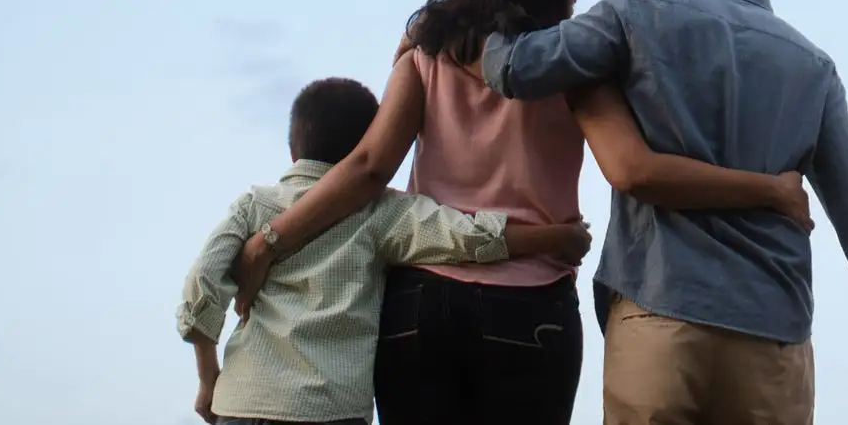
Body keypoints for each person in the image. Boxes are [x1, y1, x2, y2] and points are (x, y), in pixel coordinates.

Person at [228, 0, 812, 425]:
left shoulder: (427, 53)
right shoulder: (580, 68)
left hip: (420, 302)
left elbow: (366, 169)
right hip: (530, 303)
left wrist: (269, 242)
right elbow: (631, 168)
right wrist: (770, 188)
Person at [477, 0, 848, 425]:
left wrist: (481, 18)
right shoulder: (812, 63)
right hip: (775, 331)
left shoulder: (636, 7)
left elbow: (517, 68)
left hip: (660, 308)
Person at [177, 77, 591, 425]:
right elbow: (465, 237)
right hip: (331, 410)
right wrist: (556, 237)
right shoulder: (381, 211)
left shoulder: (255, 205)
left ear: (292, 150)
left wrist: (208, 377)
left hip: (241, 402)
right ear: (372, 145)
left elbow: (203, 280)